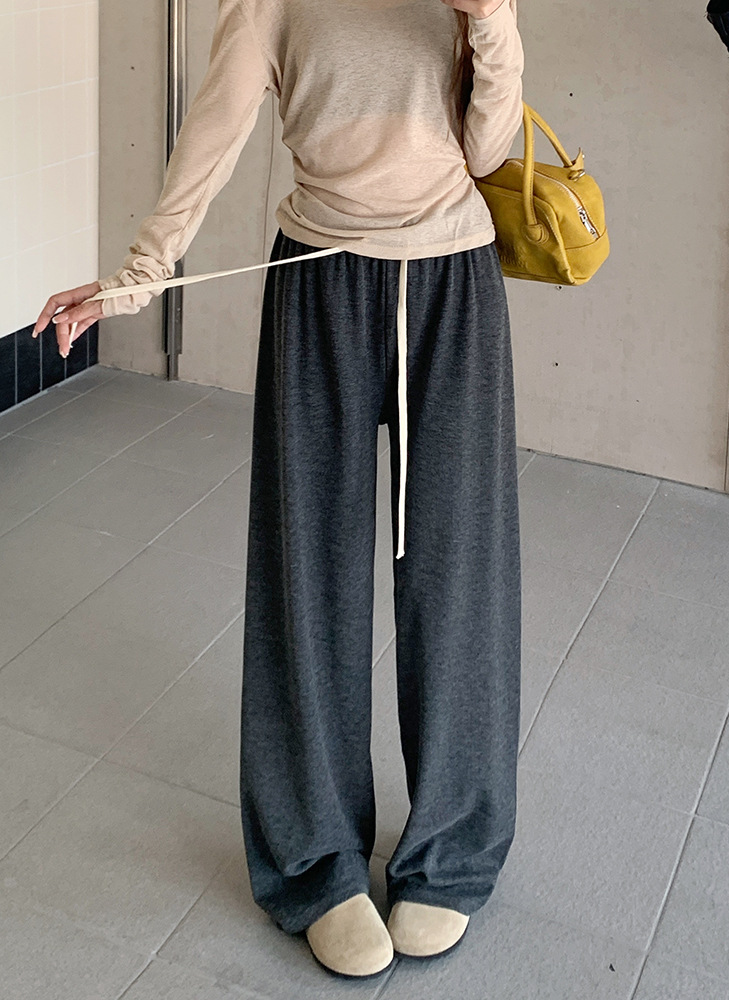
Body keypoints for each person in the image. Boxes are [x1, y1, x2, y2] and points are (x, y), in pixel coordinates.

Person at [33, 0, 525, 980]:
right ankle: (316, 860)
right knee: (309, 575)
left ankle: (453, 852)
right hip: (321, 283)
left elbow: (489, 149)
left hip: (451, 285)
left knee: (459, 574)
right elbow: (212, 135)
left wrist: (492, 20)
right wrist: (137, 276)